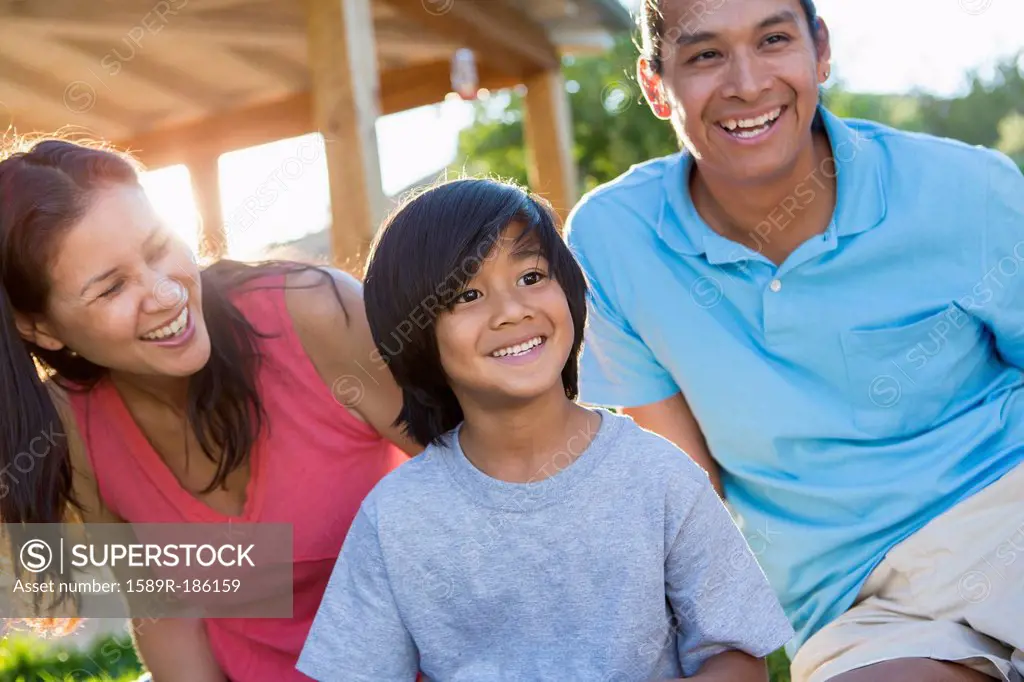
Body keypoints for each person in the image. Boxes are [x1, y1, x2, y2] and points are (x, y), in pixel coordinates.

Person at [564, 0, 1024, 680]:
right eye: (705, 54)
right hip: (861, 609)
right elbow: (693, 496)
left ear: (820, 51)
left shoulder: (968, 189)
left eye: (773, 39)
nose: (747, 83)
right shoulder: (612, 241)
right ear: (656, 85)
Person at [295, 178, 794, 682]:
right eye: (468, 294)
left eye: (532, 276)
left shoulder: (658, 475)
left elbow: (738, 656)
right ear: (417, 334)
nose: (512, 310)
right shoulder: (396, 517)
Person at [0, 137, 419, 681]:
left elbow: (485, 490)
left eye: (157, 250)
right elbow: (166, 615)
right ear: (42, 329)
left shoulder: (314, 314)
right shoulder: (72, 429)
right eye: (110, 289)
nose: (166, 294)